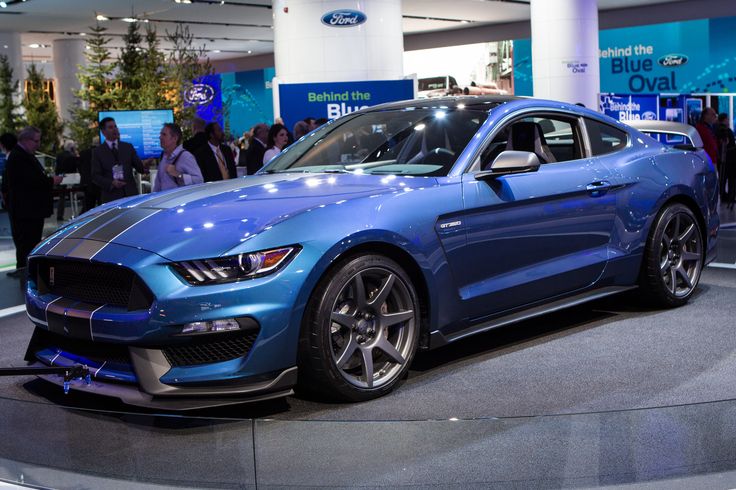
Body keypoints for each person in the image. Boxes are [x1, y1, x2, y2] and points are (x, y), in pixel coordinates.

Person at [4, 126, 63, 277]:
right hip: (26, 210)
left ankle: (27, 269)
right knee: (27, 242)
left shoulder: (25, 155)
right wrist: (51, 181)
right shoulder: (18, 157)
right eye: (36, 141)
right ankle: (25, 271)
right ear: (25, 140)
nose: (38, 144)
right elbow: (29, 181)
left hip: (30, 209)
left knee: (31, 241)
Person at [92, 117, 148, 203]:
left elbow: (139, 168)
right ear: (103, 132)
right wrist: (111, 183)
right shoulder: (98, 152)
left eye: (115, 126)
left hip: (130, 195)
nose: (115, 129)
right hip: (111, 197)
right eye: (111, 127)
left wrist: (144, 164)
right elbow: (95, 176)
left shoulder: (128, 147)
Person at [152, 123, 203, 192]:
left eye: (164, 134)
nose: (160, 137)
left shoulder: (185, 156)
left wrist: (178, 175)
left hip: (179, 201)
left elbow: (199, 180)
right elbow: (158, 184)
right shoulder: (163, 156)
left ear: (175, 138)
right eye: (160, 134)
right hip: (164, 201)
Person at [54, 139, 80, 220]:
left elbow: (57, 168)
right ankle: (75, 214)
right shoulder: (72, 156)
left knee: (61, 198)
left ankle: (59, 215)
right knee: (73, 196)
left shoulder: (59, 155)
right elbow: (75, 167)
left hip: (61, 178)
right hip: (71, 178)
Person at [78, 136, 101, 213]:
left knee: (88, 206)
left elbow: (80, 168)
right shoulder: (101, 152)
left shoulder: (83, 153)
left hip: (87, 184)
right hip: (99, 183)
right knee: (102, 205)